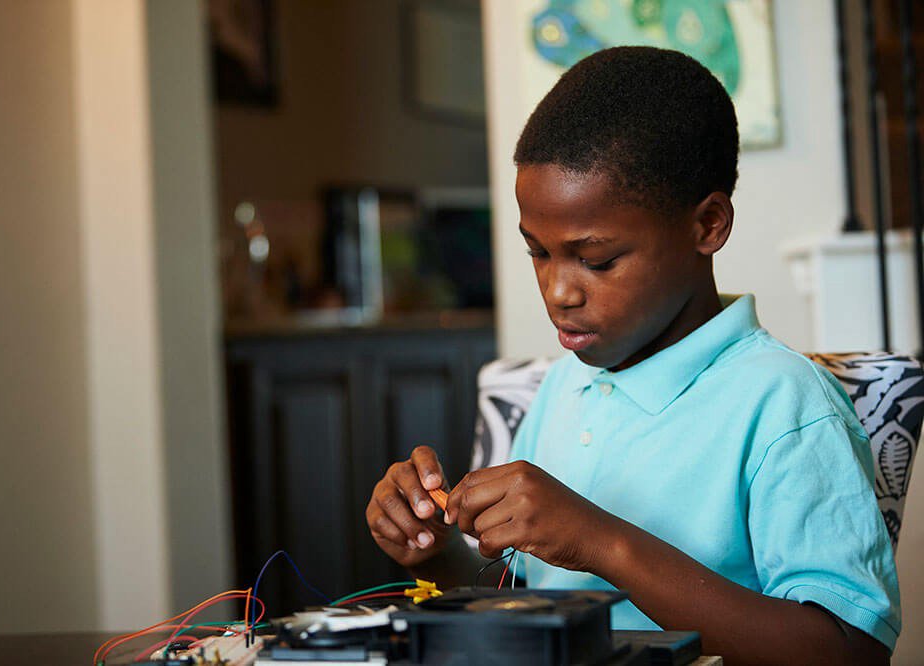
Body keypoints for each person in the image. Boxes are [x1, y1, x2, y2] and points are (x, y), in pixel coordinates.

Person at [364, 46, 900, 663]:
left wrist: (600, 541)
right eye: (538, 252)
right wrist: (436, 551)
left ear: (708, 225)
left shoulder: (785, 403)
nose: (558, 292)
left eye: (597, 260)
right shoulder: (563, 388)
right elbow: (528, 604)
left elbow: (851, 650)